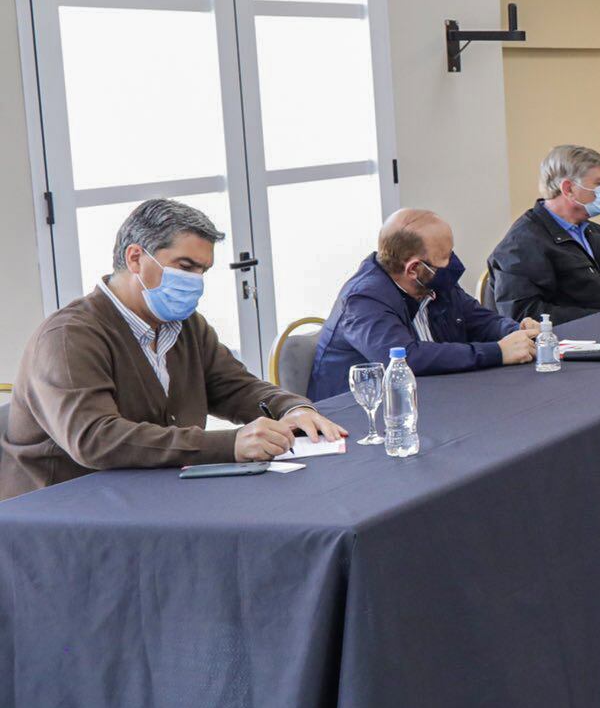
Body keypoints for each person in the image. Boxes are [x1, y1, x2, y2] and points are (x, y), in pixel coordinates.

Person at [1, 198, 347, 499]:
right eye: (185, 267)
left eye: (203, 271)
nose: (196, 281)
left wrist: (291, 409)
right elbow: (95, 438)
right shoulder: (69, 336)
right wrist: (230, 444)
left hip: (151, 495)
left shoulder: (184, 325)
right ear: (136, 258)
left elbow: (234, 386)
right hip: (58, 514)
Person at [307, 209, 538, 401]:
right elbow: (407, 358)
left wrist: (515, 332)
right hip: (359, 415)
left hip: (428, 397)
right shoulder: (363, 300)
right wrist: (497, 352)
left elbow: (477, 318)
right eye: (445, 257)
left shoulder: (432, 281)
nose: (452, 263)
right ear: (413, 269)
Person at [487, 144, 600, 325]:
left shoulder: (598, 233)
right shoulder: (521, 245)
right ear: (568, 189)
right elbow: (523, 314)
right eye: (598, 184)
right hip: (570, 345)